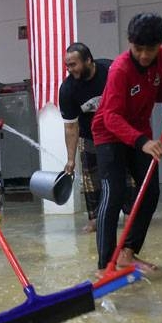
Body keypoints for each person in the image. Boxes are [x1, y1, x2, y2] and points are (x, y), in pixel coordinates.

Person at [91, 13, 162, 278]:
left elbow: (157, 92)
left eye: (151, 49)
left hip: (139, 132)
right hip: (109, 133)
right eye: (138, 49)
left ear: (160, 44)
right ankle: (105, 265)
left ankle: (127, 253)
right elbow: (111, 116)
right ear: (129, 43)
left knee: (151, 191)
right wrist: (142, 142)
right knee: (113, 192)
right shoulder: (120, 69)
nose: (145, 56)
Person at [59, 43, 110, 233]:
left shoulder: (110, 72)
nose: (70, 70)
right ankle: (95, 219)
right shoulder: (68, 89)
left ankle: (130, 214)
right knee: (91, 178)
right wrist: (70, 159)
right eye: (67, 66)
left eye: (74, 65)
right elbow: (71, 126)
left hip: (117, 133)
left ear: (89, 60)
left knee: (125, 174)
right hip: (89, 135)